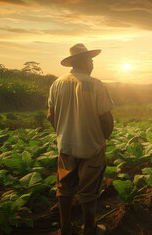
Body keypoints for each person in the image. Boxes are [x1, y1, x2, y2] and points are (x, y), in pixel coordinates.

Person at [47, 43, 114, 235]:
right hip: (91, 147)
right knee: (89, 190)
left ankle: (65, 228)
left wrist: (62, 133)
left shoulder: (57, 84)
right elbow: (106, 118)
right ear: (83, 61)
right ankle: (90, 229)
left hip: (65, 146)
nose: (92, 63)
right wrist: (104, 138)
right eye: (91, 60)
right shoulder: (96, 84)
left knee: (64, 188)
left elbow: (50, 115)